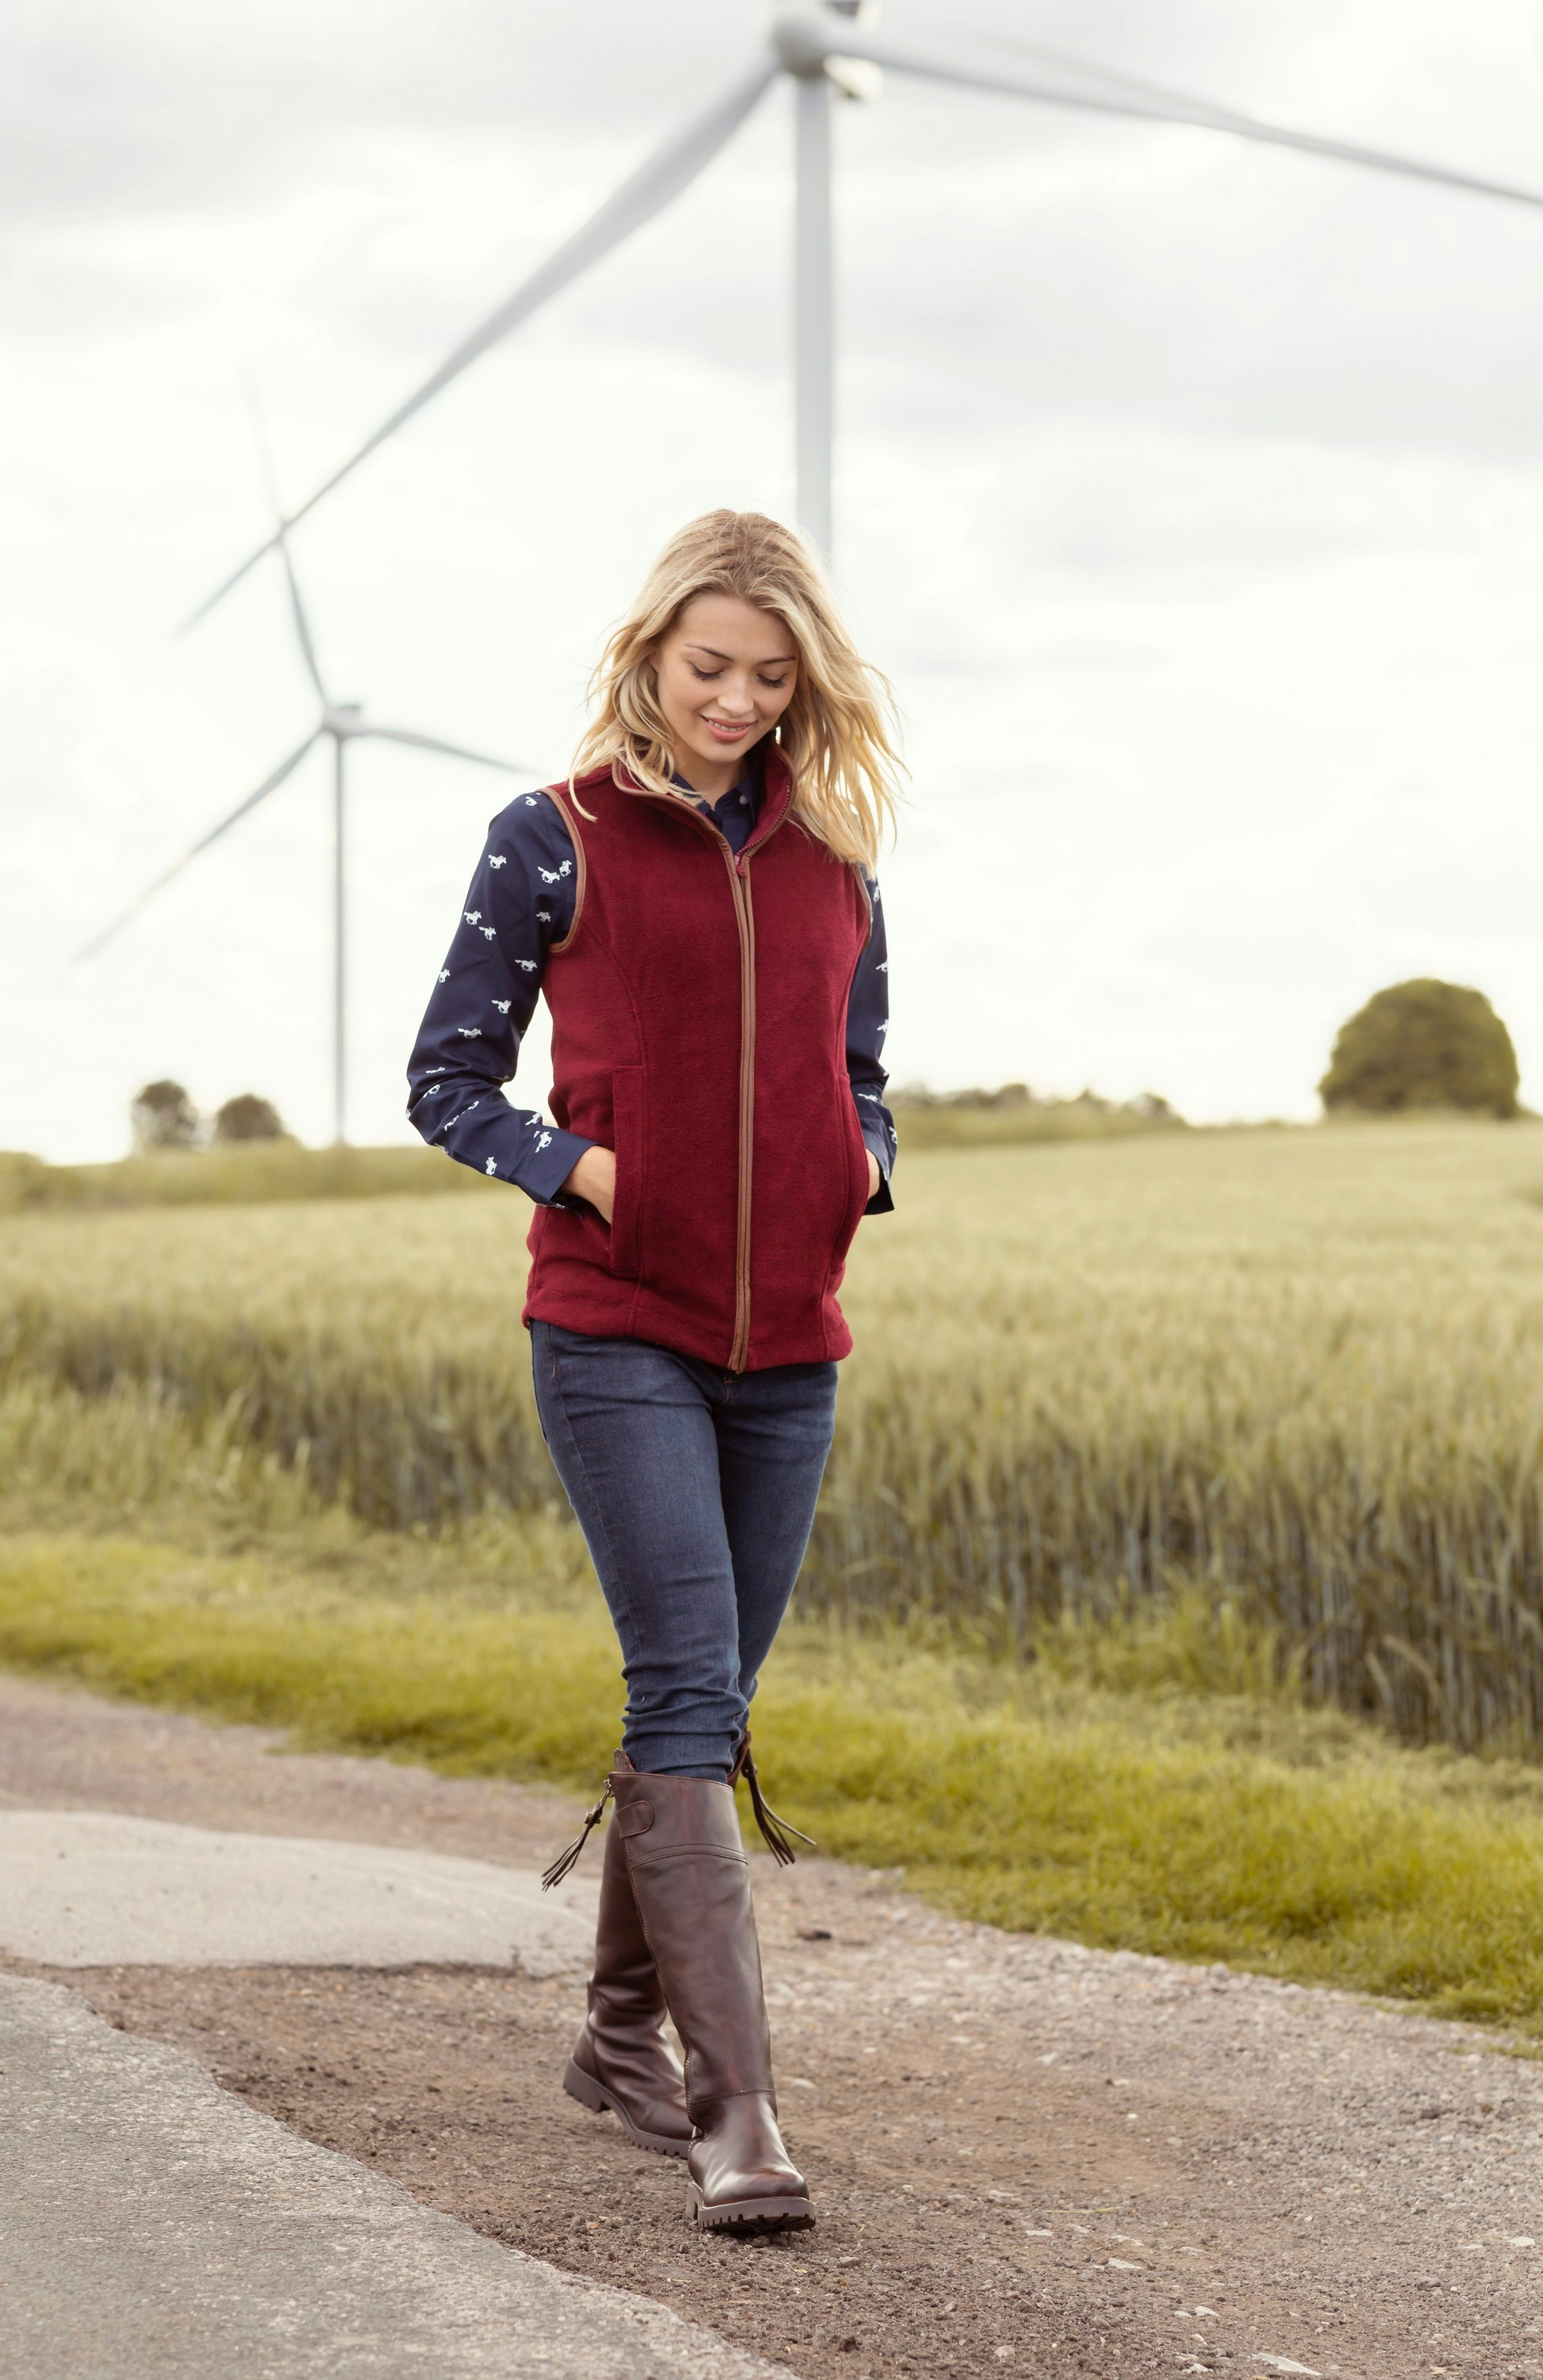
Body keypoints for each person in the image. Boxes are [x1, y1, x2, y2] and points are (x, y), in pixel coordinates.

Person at [406, 509, 900, 2234]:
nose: (736, 702)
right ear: (649, 655)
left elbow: (862, 1067)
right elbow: (447, 1077)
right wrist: (585, 1172)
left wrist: (858, 1171)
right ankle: (735, 2109)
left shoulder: (838, 857)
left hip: (792, 1346)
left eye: (770, 678)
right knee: (685, 1684)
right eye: (709, 668)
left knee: (706, 1707)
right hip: (616, 1328)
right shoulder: (551, 839)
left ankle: (618, 2033)